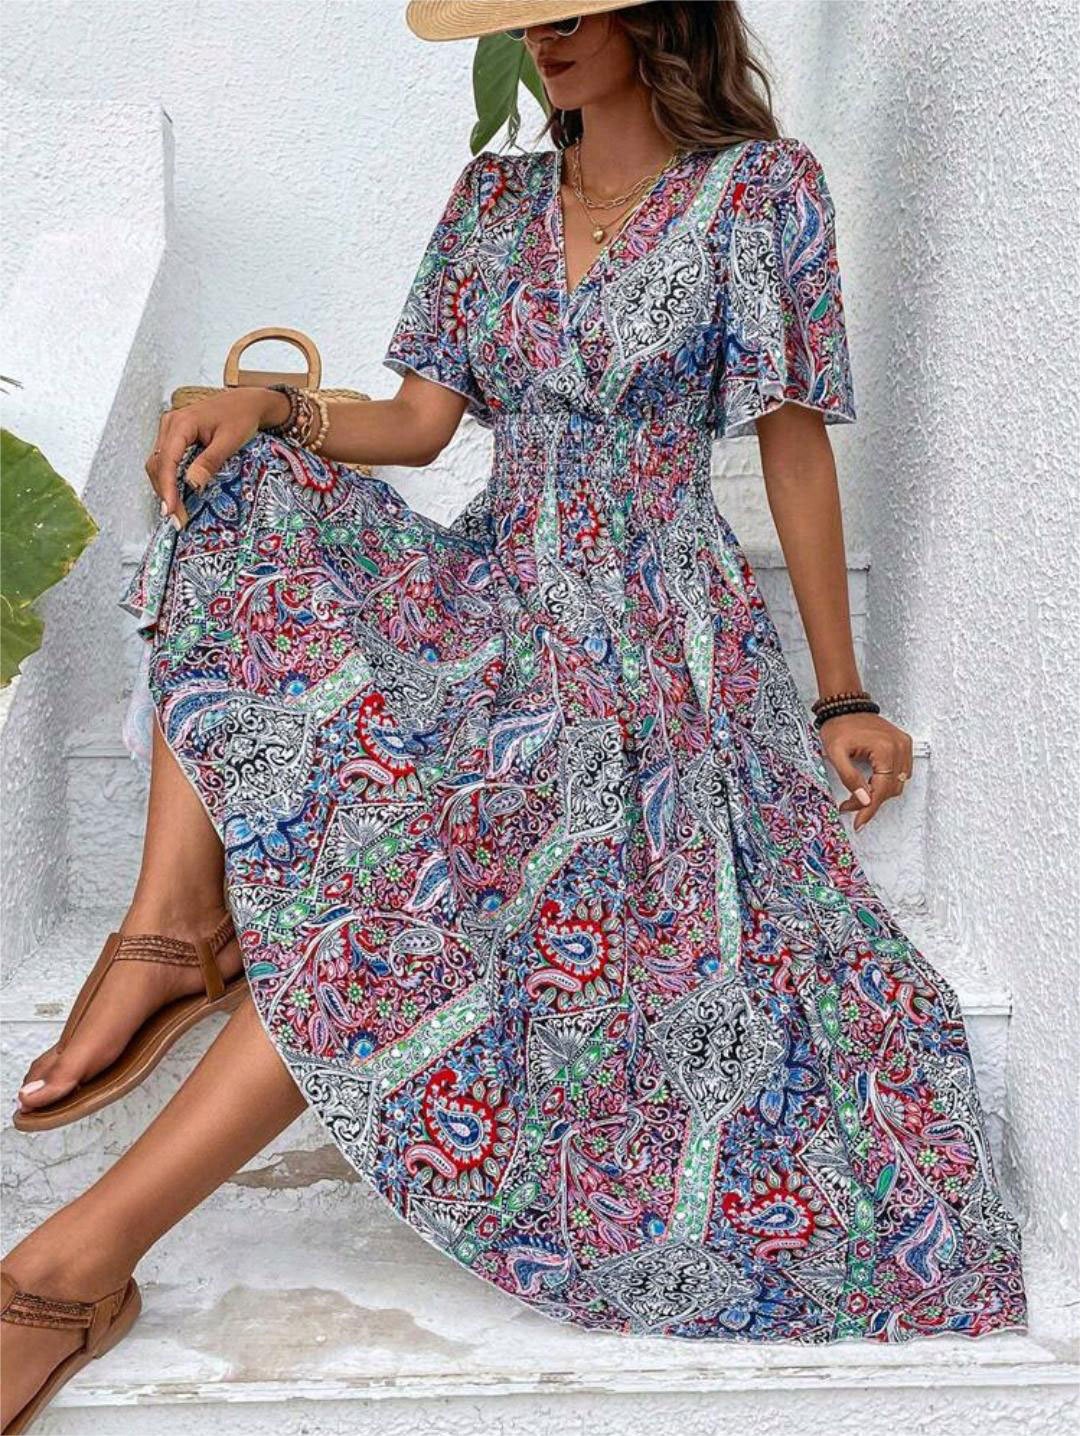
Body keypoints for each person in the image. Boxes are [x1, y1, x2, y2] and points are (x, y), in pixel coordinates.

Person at [1, 2, 1028, 1428]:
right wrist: (271, 407)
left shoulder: (761, 192)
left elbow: (794, 451)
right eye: (523, 12)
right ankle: (174, 928)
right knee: (238, 485)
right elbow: (419, 427)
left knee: (440, 877)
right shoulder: (494, 200)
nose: (541, 33)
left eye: (570, 7)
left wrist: (840, 693)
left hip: (656, 634)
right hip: (494, 580)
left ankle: (73, 1260)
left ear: (659, 15)